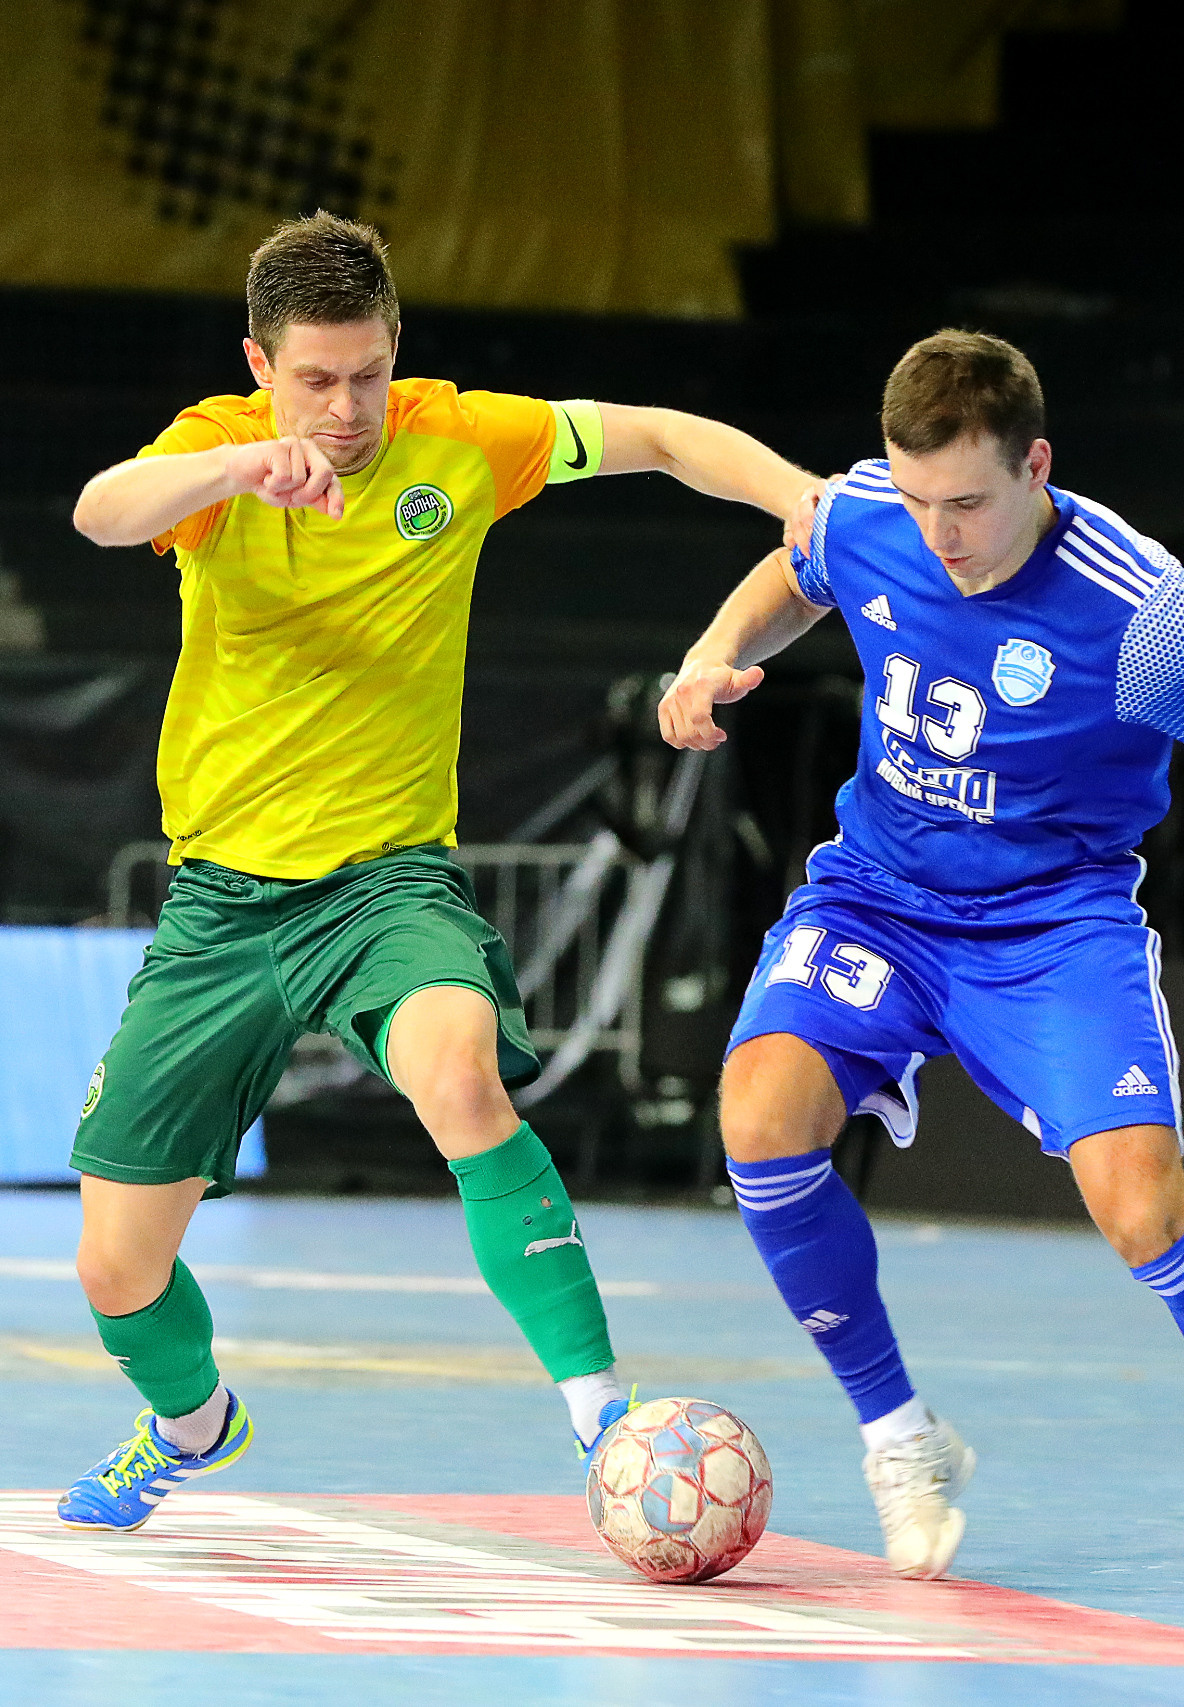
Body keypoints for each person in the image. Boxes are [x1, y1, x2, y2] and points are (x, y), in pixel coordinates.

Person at [658, 330, 1184, 1593]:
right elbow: (797, 564)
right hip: (878, 897)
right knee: (759, 1126)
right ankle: (900, 1435)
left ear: (1035, 466)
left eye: (967, 504)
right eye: (918, 499)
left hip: (1052, 925)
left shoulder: (1140, 613)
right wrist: (718, 652)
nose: (938, 533)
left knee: (1143, 1211)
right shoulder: (879, 511)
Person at [54, 213, 821, 1532]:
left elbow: (658, 434)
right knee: (117, 1270)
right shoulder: (209, 453)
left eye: (368, 373)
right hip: (221, 907)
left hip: (383, 887)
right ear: (260, 363)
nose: (346, 409)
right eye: (314, 380)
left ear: (395, 348)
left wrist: (803, 498)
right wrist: (240, 465)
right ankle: (192, 1423)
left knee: (460, 1073)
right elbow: (99, 511)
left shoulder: (460, 439)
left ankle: (604, 1416)